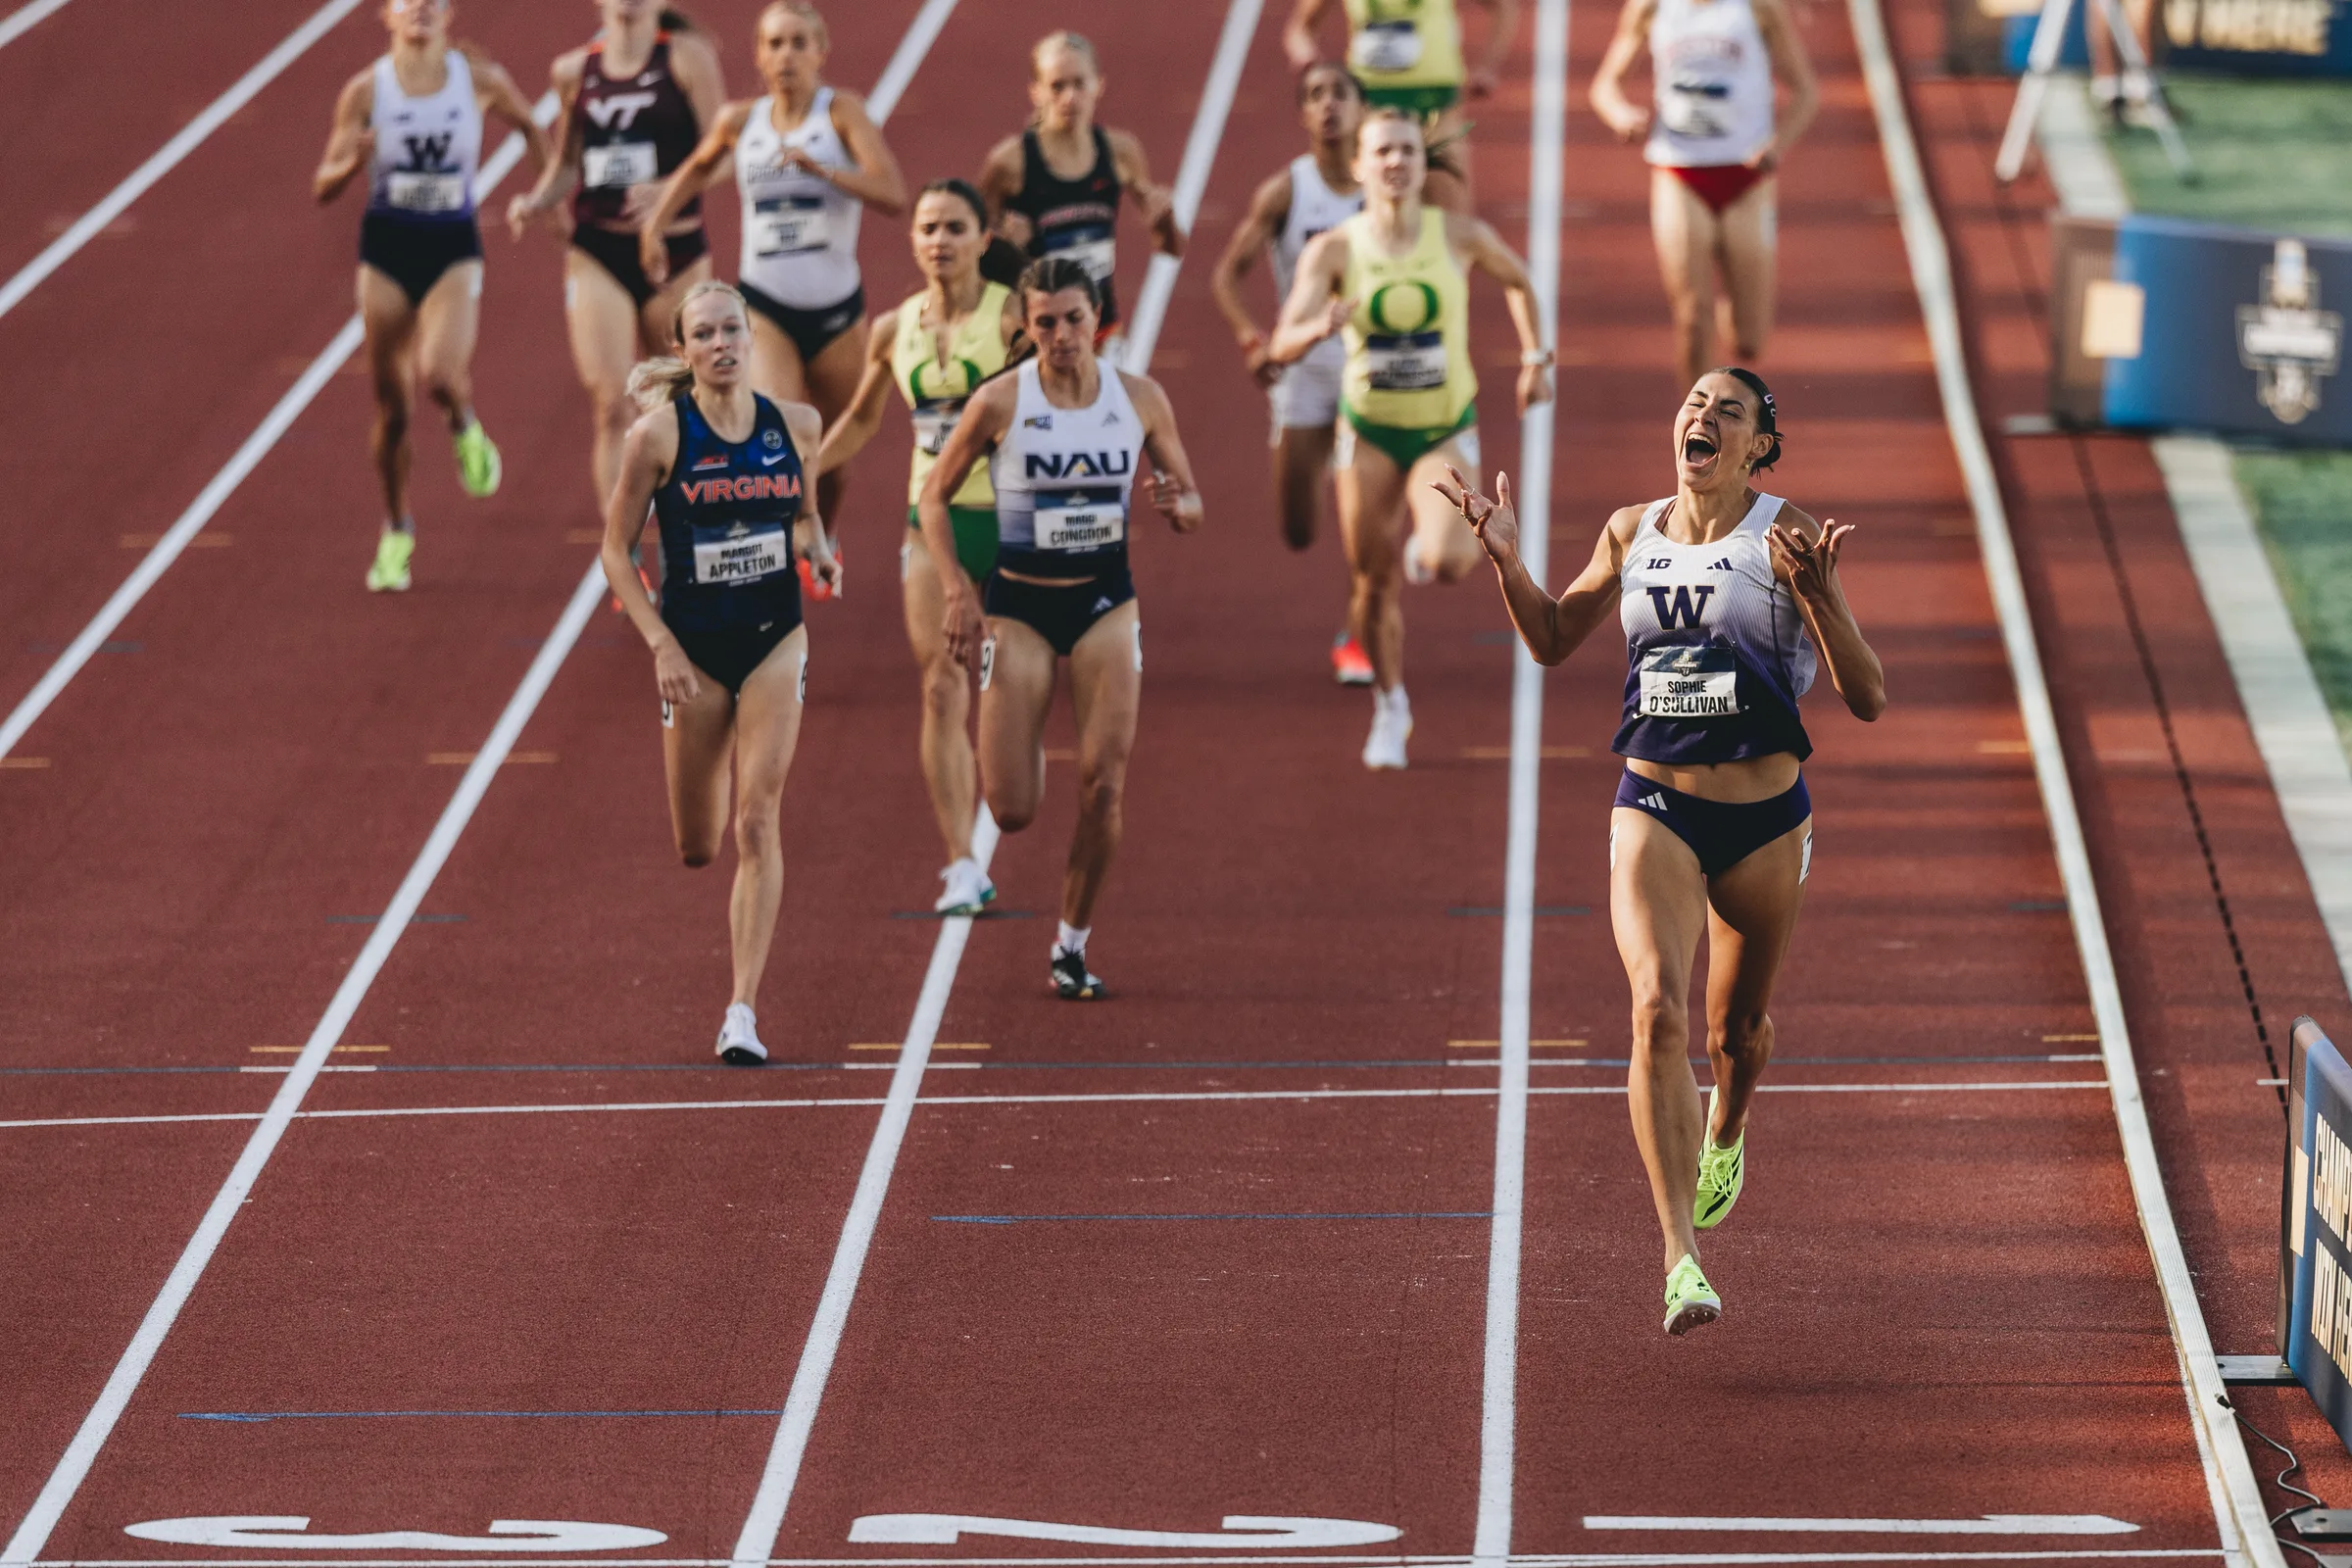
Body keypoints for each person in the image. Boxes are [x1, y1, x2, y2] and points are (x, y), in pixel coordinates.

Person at [1437, 368, 1886, 1335]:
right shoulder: (1627, 530)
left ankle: (1728, 1122)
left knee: (1740, 1032)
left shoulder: (1784, 536)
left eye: (1730, 412)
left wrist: (1826, 601)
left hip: (1766, 820)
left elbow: (1868, 696)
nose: (1704, 419)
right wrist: (1509, 562)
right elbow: (1555, 637)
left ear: (1760, 447)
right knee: (1653, 1011)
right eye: (1695, 404)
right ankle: (1681, 1254)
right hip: (1656, 806)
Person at [918, 259, 1203, 1000]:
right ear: (1024, 326)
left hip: (1107, 602)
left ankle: (1071, 944)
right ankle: (1028, 722)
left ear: (1097, 318)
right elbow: (933, 498)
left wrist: (1178, 507)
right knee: (1011, 810)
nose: (1061, 336)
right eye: (1045, 322)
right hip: (1020, 605)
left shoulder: (1138, 398)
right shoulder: (998, 401)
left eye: (1074, 319)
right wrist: (956, 588)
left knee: (1105, 787)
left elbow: (1194, 500)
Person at [600, 279, 840, 1064]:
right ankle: (739, 993)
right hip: (694, 650)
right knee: (699, 844)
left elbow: (802, 512)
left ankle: (742, 1009)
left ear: (749, 337)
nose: (723, 345)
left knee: (757, 817)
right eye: (704, 334)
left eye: (732, 329)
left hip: (776, 637)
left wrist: (818, 549)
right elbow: (615, 550)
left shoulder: (795, 424)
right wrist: (661, 645)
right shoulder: (659, 438)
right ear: (683, 350)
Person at [1267, 109, 1551, 770]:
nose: (1395, 162)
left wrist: (1538, 358)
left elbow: (1519, 280)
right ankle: (1391, 705)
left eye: (1406, 151)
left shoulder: (1457, 234)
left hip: (1442, 425)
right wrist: (1313, 331)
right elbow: (1282, 340)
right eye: (1382, 152)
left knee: (1453, 562)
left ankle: (1431, 547)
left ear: (1423, 165)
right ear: (1360, 166)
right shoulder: (1334, 249)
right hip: (1367, 430)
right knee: (1372, 580)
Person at [816, 180, 1023, 917]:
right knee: (941, 685)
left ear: (982, 238)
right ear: (913, 240)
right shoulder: (893, 327)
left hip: (1013, 521)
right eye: (928, 227)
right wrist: (803, 472)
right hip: (930, 523)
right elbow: (863, 420)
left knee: (1010, 690)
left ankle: (1009, 811)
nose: (939, 239)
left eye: (955, 227)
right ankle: (961, 861)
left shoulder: (1011, 318)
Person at [641, 0, 906, 543]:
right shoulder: (741, 122)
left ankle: (820, 536)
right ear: (760, 56)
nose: (786, 55)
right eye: (775, 44)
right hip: (765, 305)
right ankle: (784, 543)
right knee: (781, 433)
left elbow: (893, 194)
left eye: (798, 43)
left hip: (836, 311)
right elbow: (696, 169)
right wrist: (655, 225)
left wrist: (823, 169)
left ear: (820, 53)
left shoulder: (841, 114)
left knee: (832, 454)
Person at [313, 0, 549, 593]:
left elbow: (530, 126)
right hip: (387, 249)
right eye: (407, 2)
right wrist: (351, 166)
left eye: (431, 2)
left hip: (451, 245)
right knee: (392, 412)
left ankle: (465, 426)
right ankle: (397, 528)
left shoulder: (481, 81)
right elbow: (322, 184)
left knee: (440, 374)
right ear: (386, 16)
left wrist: (549, 201)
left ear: (450, 14)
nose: (419, 9)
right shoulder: (366, 90)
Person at [507, 0, 726, 518]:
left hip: (674, 251)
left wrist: (668, 191)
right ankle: (619, 552)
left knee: (682, 403)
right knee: (610, 404)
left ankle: (688, 532)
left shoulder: (686, 58)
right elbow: (568, 163)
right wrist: (536, 200)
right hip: (598, 249)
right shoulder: (572, 70)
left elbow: (725, 152)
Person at [1209, 62, 1371, 687]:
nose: (1328, 105)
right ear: (1302, 114)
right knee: (1300, 528)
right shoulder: (1287, 192)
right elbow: (1226, 276)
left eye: (1340, 94)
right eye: (1314, 95)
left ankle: (1358, 635)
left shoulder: (1386, 186)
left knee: (1365, 529)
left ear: (1361, 110)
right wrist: (1255, 341)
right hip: (1302, 372)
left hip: (1370, 375)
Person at [1589, 0, 1817, 386]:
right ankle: (1696, 427)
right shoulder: (1651, 8)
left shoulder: (1759, 9)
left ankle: (1734, 296)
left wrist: (1777, 147)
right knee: (1693, 315)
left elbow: (1805, 92)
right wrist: (1621, 114)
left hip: (1747, 177)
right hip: (1679, 172)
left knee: (1749, 341)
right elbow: (1606, 84)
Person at [978, 31, 1182, 350]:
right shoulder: (1010, 162)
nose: (1070, 97)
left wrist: (1165, 220)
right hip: (1038, 338)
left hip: (1100, 330)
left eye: (1079, 84)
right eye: (1057, 86)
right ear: (1036, 92)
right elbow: (972, 262)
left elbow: (1171, 249)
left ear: (1098, 85)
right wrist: (1005, 250)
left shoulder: (1120, 151)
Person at [1281, 0, 1519, 214]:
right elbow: (1300, 29)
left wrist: (1488, 66)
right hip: (1370, 112)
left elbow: (1503, 7)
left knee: (1452, 216)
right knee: (1369, 215)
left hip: (1436, 108)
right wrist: (1307, 58)